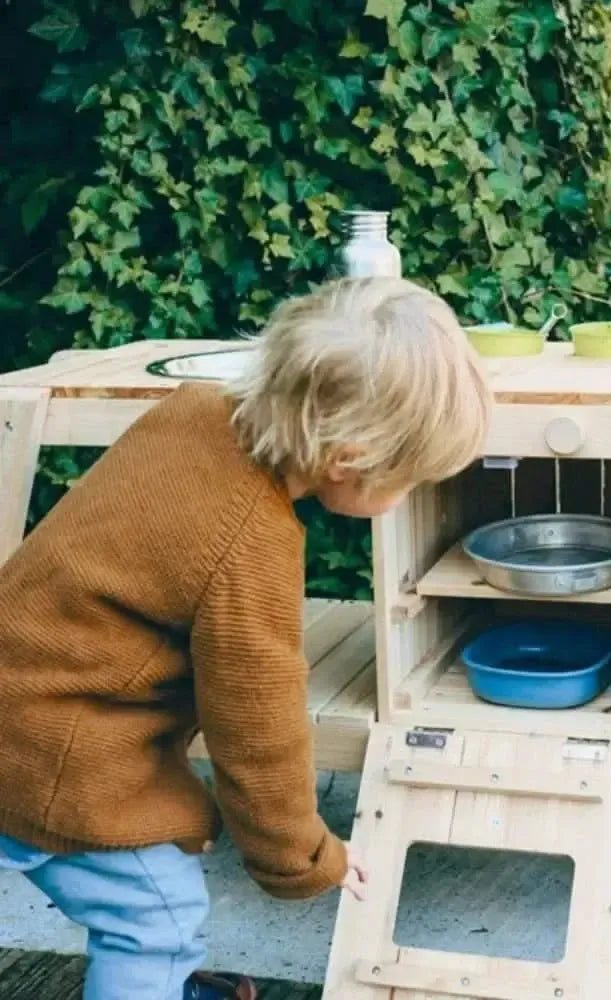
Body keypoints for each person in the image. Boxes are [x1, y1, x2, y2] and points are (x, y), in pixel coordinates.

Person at [0, 277, 491, 1000]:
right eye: (408, 479)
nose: (407, 496)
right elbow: (258, 733)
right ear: (348, 458)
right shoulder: (251, 542)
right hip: (54, 755)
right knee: (155, 921)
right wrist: (302, 854)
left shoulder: (192, 411)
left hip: (22, 695)